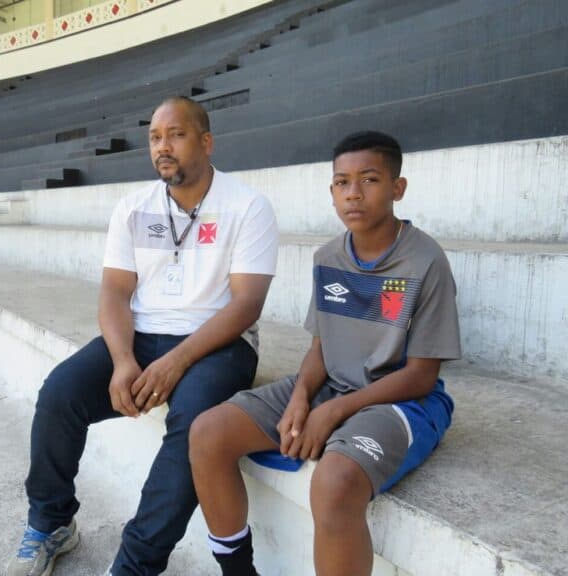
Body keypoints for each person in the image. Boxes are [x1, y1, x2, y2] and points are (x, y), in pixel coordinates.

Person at [6, 96, 279, 576]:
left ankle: (134, 566)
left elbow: (246, 305)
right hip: (144, 336)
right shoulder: (133, 208)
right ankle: (52, 523)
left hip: (219, 345)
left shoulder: (248, 206)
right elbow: (114, 292)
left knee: (194, 426)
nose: (162, 147)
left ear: (207, 142)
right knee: (59, 394)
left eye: (175, 135)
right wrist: (122, 359)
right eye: (154, 138)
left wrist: (178, 361)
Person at [189, 131, 461, 576]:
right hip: (333, 384)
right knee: (208, 433)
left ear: (397, 188)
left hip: (403, 401)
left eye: (369, 180)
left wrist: (334, 412)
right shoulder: (328, 257)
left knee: (334, 482)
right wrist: (301, 398)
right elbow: (320, 347)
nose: (353, 193)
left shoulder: (426, 261)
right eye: (342, 182)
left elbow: (421, 376)